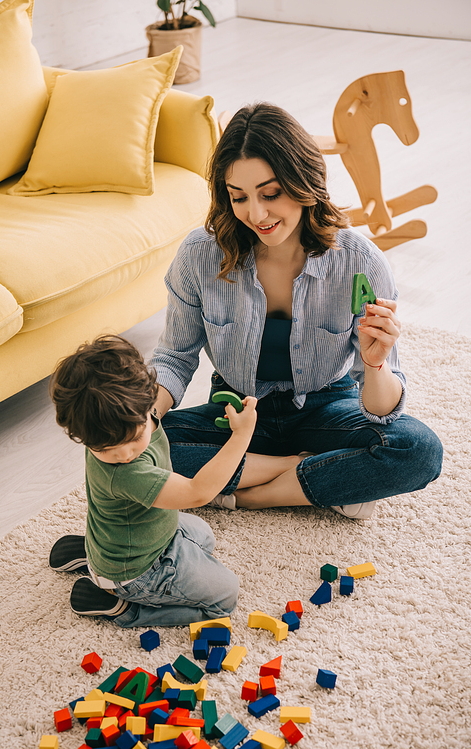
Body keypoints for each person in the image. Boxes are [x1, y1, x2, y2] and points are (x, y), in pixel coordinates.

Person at [149, 102, 443, 519]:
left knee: (417, 449)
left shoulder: (360, 261)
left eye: (271, 194)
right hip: (238, 415)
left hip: (326, 407)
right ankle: (308, 475)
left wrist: (376, 367)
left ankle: (251, 494)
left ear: (304, 180)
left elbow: (382, 410)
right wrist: (142, 421)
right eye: (239, 197)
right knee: (141, 449)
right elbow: (174, 358)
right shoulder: (199, 256)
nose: (256, 214)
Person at [48, 334, 260, 626]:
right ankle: (124, 607)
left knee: (205, 537)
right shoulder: (127, 471)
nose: (123, 454)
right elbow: (199, 492)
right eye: (104, 448)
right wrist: (241, 436)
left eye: (133, 438)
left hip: (142, 534)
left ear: (147, 402)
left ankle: (98, 556)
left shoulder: (130, 414)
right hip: (139, 571)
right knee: (226, 597)